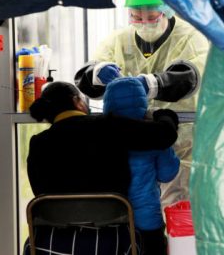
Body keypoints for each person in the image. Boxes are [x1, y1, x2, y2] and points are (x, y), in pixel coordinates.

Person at [74, 0, 210, 207]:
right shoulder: (119, 40)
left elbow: (190, 76)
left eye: (151, 17)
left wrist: (151, 84)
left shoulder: (190, 37)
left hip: (182, 145)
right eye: (136, 18)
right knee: (134, 211)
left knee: (179, 213)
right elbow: (85, 76)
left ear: (166, 11)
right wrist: (98, 73)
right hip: (131, 141)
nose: (143, 24)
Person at [23, 81, 179, 255]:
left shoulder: (38, 143)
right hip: (112, 240)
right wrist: (165, 115)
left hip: (53, 243)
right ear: (77, 101)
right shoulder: (106, 126)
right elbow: (164, 135)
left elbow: (40, 193)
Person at [103, 77, 180, 255]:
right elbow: (168, 173)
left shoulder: (101, 134)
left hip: (110, 219)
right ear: (142, 102)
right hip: (147, 220)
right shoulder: (153, 136)